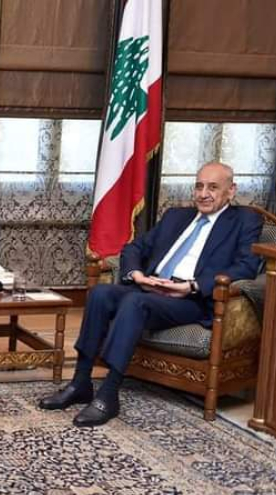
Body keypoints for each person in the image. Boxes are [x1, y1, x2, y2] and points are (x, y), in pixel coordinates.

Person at [38, 162, 262, 427]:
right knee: (100, 293)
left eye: (213, 188)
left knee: (135, 301)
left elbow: (245, 266)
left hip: (191, 299)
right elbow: (135, 248)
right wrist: (137, 275)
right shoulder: (176, 216)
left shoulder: (245, 221)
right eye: (199, 186)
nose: (203, 194)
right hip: (151, 287)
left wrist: (192, 286)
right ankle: (80, 382)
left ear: (231, 190)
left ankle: (108, 393)